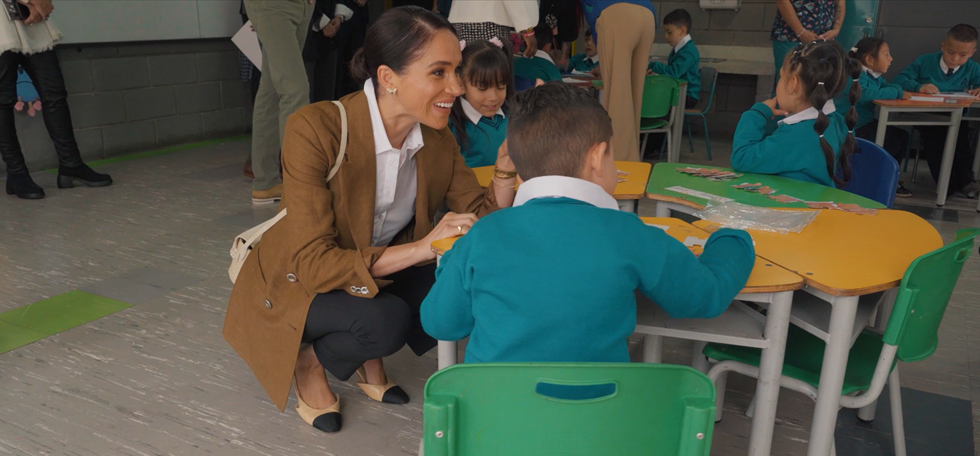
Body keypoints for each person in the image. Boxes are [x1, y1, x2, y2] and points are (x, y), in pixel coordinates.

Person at [223, 6, 517, 434]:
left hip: (369, 269)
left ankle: (365, 358)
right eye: (439, 72)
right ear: (388, 77)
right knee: (386, 321)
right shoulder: (316, 128)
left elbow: (480, 220)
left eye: (456, 70)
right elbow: (314, 264)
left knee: (467, 285)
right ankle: (309, 363)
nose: (457, 87)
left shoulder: (436, 138)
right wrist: (422, 247)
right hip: (298, 281)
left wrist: (507, 170)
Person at [421, 82, 755, 364]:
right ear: (597, 157)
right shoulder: (630, 233)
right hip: (598, 431)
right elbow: (706, 296)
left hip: (492, 427)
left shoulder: (484, 235)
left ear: (520, 166)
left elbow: (441, 323)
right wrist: (731, 239)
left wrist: (453, 261)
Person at [0, 0, 112, 200]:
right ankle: (16, 173)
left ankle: (71, 164)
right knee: (3, 101)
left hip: (28, 17)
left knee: (55, 94)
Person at [731, 40, 861, 187]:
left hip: (793, 207)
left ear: (793, 84)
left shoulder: (793, 137)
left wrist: (756, 114)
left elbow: (741, 158)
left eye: (780, 77)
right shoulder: (838, 122)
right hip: (820, 204)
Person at [894, 24, 980, 199]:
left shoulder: (972, 68)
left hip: (956, 116)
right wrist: (919, 86)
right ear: (943, 46)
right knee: (937, 136)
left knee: (960, 134)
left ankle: (965, 177)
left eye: (962, 55)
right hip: (926, 116)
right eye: (950, 52)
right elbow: (900, 78)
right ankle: (946, 183)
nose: (955, 59)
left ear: (972, 53)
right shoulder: (925, 61)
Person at [244, 0, 315, 205]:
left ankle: (266, 183)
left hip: (303, 5)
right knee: (295, 90)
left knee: (271, 88)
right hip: (273, 5)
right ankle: (299, 181)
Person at [581, 0, 657, 162]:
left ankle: (618, 163)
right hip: (647, 14)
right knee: (634, 96)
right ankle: (632, 160)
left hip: (615, 13)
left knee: (618, 96)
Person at [840, 38, 913, 197]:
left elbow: (885, 86)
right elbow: (864, 94)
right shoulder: (853, 74)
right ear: (869, 59)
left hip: (864, 123)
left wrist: (896, 89)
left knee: (901, 136)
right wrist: (898, 92)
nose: (890, 58)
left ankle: (889, 177)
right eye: (886, 54)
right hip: (850, 127)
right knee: (891, 140)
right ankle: (877, 177)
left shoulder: (873, 75)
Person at [449, 39, 513, 168]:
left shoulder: (514, 116)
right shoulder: (450, 126)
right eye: (482, 88)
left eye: (501, 87)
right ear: (460, 83)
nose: (493, 97)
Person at [771, 0, 844, 88]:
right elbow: (782, 2)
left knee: (819, 85)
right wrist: (800, 31)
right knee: (789, 85)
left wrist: (836, 28)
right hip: (790, 37)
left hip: (824, 38)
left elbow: (840, 2)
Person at [647, 9, 701, 109]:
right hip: (678, 92)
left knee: (651, 98)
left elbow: (674, 72)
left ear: (682, 31)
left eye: (669, 32)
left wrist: (651, 65)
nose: (666, 36)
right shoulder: (679, 49)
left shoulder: (688, 51)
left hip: (687, 95)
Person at [448, 0, 539, 58]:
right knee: (492, 77)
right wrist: (527, 30)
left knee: (467, 75)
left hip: (462, 18)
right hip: (488, 22)